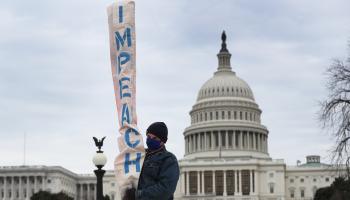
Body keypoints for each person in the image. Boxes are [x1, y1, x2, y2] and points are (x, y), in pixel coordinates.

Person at [135, 122, 180, 200]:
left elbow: (166, 189)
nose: (150, 140)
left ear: (162, 141)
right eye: (148, 136)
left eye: (155, 138)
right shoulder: (140, 156)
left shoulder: (169, 159)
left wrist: (139, 194)